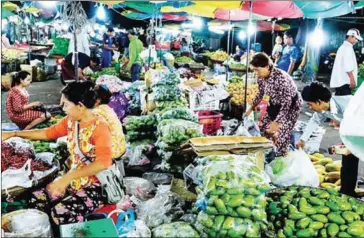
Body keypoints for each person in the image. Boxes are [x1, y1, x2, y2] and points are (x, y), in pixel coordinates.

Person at [2, 81, 113, 226]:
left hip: (97, 186)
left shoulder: (100, 127)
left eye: (66, 104)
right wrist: (15, 133)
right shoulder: (71, 121)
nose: (63, 108)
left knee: (59, 213)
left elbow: (103, 163)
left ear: (80, 106)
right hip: (73, 181)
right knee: (37, 199)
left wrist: (66, 179)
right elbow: (48, 132)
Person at [298, 82, 358, 197]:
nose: (310, 108)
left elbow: (358, 125)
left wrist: (352, 146)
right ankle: (347, 192)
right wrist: (303, 139)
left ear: (319, 101)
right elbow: (314, 121)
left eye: (310, 104)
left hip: (360, 129)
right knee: (348, 161)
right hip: (352, 131)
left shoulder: (348, 105)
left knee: (352, 154)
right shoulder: (324, 108)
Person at [245, 53, 303, 156]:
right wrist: (251, 108)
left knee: (282, 134)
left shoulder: (280, 78)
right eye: (254, 70)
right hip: (273, 103)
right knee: (260, 126)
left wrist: (277, 123)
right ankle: (265, 152)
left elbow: (287, 103)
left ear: (267, 66)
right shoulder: (261, 77)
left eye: (257, 70)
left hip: (291, 107)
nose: (256, 73)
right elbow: (261, 94)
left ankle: (279, 155)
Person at [93, 84, 126, 159]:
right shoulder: (108, 109)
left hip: (112, 151)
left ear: (98, 100)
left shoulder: (97, 112)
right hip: (121, 147)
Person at [330, 29, 362, 96]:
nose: (357, 41)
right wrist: (352, 80)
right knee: (345, 103)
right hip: (344, 82)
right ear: (350, 36)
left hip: (341, 82)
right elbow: (348, 67)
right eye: (356, 39)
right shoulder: (347, 48)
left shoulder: (344, 47)